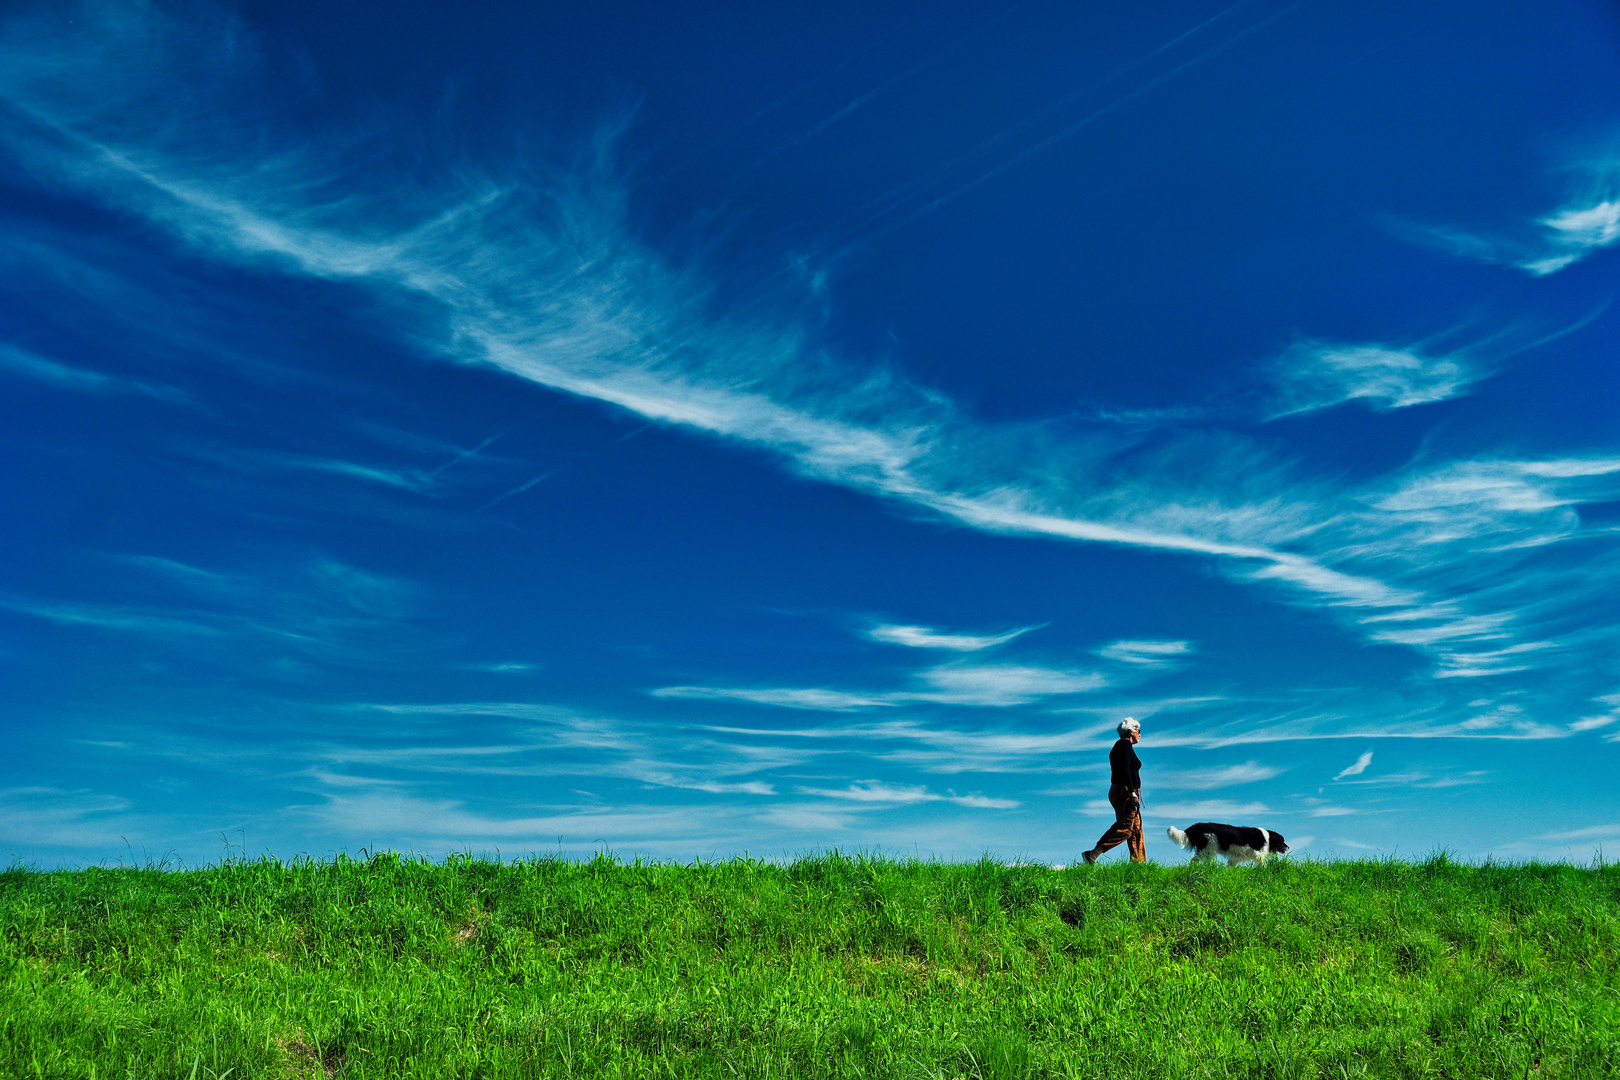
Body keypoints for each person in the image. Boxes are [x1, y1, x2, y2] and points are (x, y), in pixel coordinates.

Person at [1083, 717, 1145, 864]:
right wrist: (1131, 791)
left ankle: (1139, 864)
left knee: (1136, 829)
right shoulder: (1124, 745)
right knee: (1126, 827)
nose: (1140, 735)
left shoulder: (1124, 746)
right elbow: (1124, 769)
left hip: (1124, 791)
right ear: (1131, 731)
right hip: (1124, 792)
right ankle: (1092, 854)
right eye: (1138, 731)